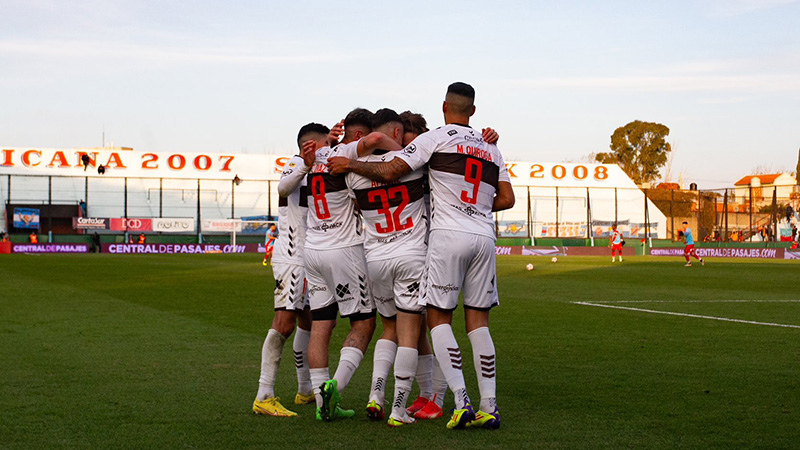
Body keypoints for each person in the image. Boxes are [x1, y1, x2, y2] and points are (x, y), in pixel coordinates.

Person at [328, 82, 515, 430]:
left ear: (445, 106)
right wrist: (472, 203)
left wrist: (351, 165)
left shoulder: (436, 139)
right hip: (484, 237)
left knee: (437, 318)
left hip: (444, 237)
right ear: (472, 111)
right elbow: (507, 200)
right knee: (479, 322)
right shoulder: (492, 148)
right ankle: (490, 405)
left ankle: (460, 401)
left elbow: (391, 170)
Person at [301, 108, 378, 422]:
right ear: (359, 136)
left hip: (312, 251)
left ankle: (323, 404)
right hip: (343, 251)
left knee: (321, 327)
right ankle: (337, 385)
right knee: (364, 323)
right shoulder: (346, 162)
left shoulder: (315, 162)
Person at [252, 123, 326, 417]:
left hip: (306, 258)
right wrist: (304, 166)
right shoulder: (296, 163)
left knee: (307, 321)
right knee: (283, 323)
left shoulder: (314, 166)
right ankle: (264, 394)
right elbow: (283, 188)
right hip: (293, 257)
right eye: (324, 145)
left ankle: (305, 390)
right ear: (309, 147)